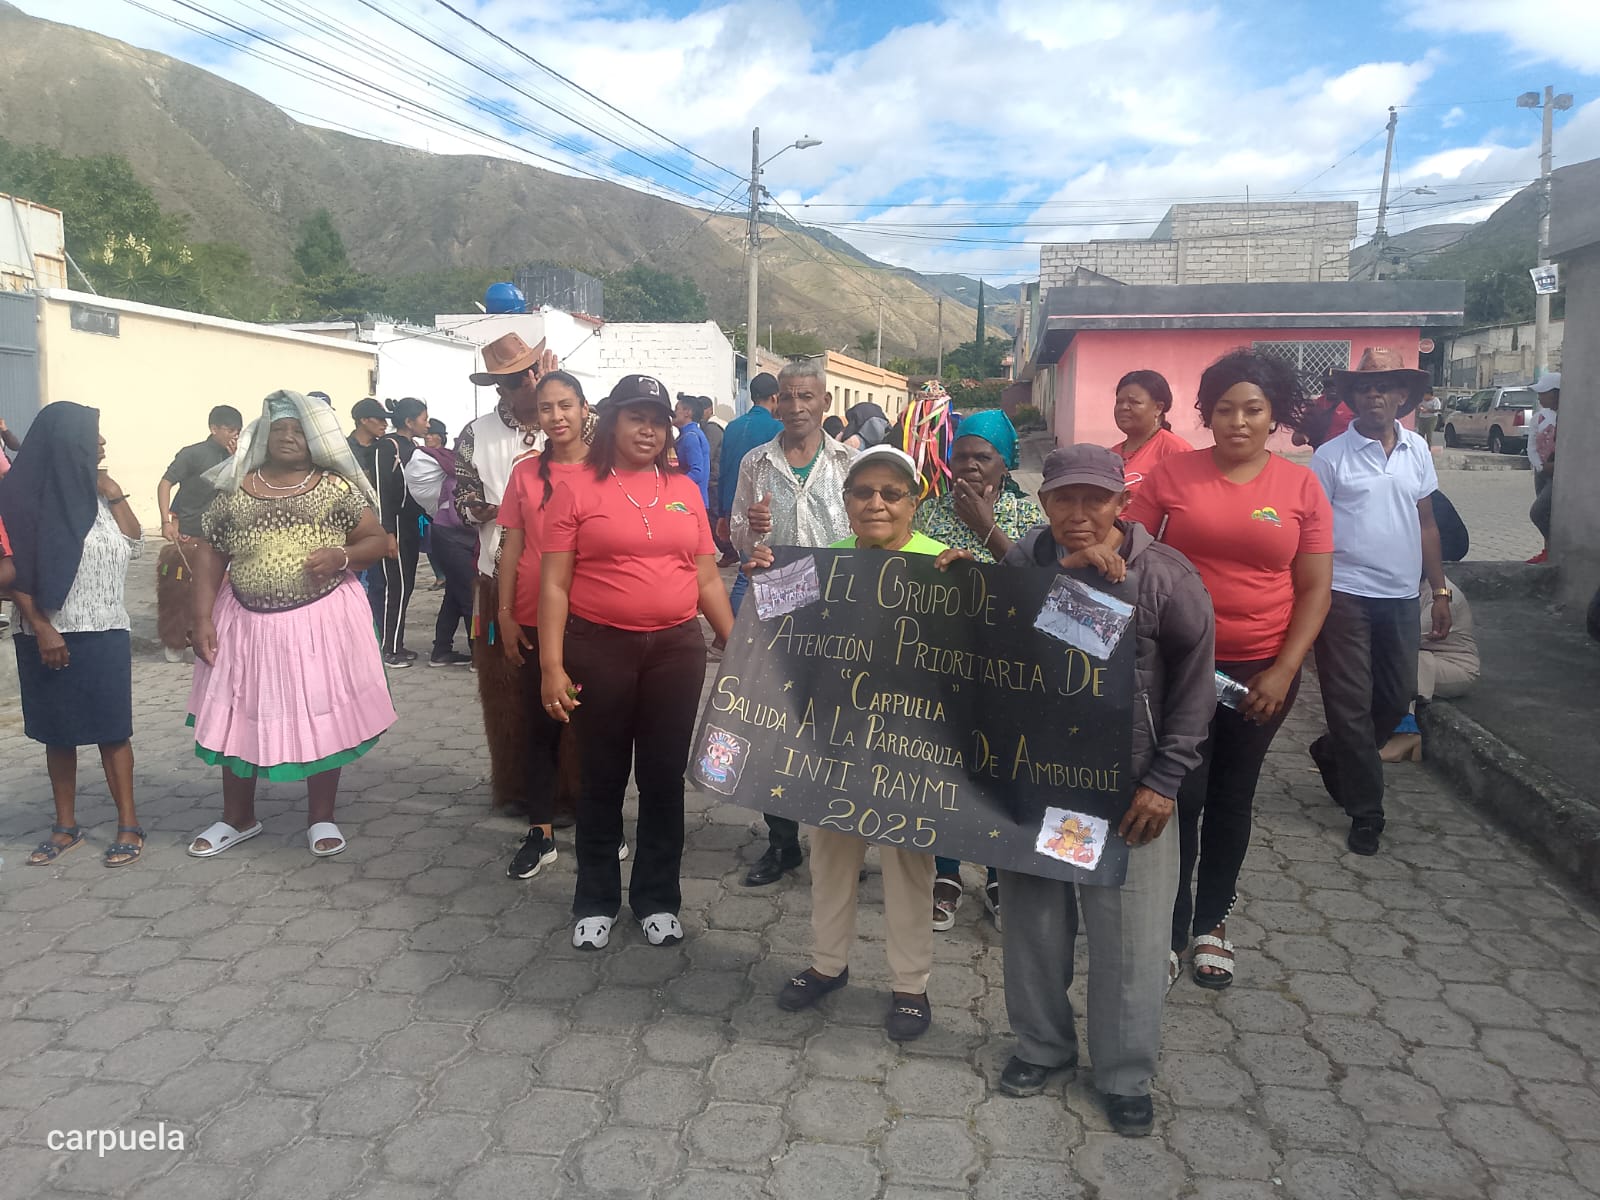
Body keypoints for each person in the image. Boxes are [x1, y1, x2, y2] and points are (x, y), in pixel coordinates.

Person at [991, 444, 1215, 1136]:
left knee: (1132, 943)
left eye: (1096, 499)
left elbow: (1196, 688)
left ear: (1124, 503)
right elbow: (988, 648)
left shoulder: (1166, 577)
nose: (1079, 513)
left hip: (1128, 794)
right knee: (1033, 929)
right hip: (1036, 783)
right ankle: (1042, 1048)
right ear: (1043, 503)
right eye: (1064, 498)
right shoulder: (1023, 563)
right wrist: (1060, 577)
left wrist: (1165, 781)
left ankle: (1123, 1075)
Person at [1125, 350, 1332, 989]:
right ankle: (1167, 927)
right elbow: (1124, 552)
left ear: (1274, 415)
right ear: (1206, 414)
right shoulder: (1172, 476)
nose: (1238, 421)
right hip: (1179, 667)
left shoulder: (1301, 488)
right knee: (1179, 792)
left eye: (1253, 409)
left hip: (1261, 672)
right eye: (1224, 409)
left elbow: (1315, 589)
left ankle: (1212, 922)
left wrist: (1284, 669)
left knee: (1231, 797)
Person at [757, 445, 946, 1042]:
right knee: (831, 855)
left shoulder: (943, 564)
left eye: (892, 493)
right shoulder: (825, 561)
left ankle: (910, 985)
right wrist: (764, 574)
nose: (876, 503)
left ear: (913, 503)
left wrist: (974, 584)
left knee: (909, 864)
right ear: (845, 501)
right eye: (863, 492)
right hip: (836, 740)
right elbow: (775, 626)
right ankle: (827, 963)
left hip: (911, 748)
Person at [539, 374, 734, 950]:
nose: (648, 430)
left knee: (662, 778)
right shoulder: (576, 490)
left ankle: (657, 899)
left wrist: (741, 648)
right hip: (599, 648)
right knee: (601, 777)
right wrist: (552, 665)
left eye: (657, 420)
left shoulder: (685, 490)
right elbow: (554, 585)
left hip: (676, 650)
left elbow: (706, 578)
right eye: (635, 418)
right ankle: (596, 899)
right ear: (611, 422)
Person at [185, 391, 395, 859]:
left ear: (316, 439)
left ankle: (321, 817)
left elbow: (377, 541)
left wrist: (342, 556)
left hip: (320, 623)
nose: (287, 436)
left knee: (322, 713)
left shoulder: (335, 488)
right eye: (278, 428)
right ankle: (237, 817)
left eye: (298, 430)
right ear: (262, 436)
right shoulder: (235, 489)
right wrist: (200, 618)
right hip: (244, 622)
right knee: (238, 712)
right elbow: (211, 551)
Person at [1310, 347, 1452, 857]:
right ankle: (1366, 811)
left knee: (1394, 699)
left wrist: (1439, 590)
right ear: (1352, 397)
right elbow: (1313, 534)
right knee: (1349, 705)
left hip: (1400, 596)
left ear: (1402, 395)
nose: (1375, 395)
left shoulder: (1417, 450)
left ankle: (1332, 752)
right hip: (1344, 596)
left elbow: (1427, 523)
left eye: (1385, 386)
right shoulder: (1330, 457)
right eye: (1365, 387)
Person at [910, 407, 1045, 931]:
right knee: (946, 767)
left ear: (1004, 463)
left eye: (982, 457)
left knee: (997, 769)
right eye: (961, 455)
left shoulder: (1029, 519)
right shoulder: (928, 513)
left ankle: (996, 873)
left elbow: (1036, 589)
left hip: (1005, 666)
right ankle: (946, 874)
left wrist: (986, 530)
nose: (969, 464)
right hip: (943, 661)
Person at [0, 403, 147, 868]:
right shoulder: (21, 496)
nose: (101, 442)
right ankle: (66, 826)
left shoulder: (97, 492)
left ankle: (128, 824)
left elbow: (135, 545)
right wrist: (43, 627)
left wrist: (116, 495)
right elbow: (11, 571)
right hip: (45, 633)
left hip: (106, 630)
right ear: (67, 441)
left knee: (112, 731)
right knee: (58, 733)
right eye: (93, 434)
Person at [728, 360, 856, 886]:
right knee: (775, 724)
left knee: (838, 729)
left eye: (807, 397)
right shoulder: (756, 463)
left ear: (825, 403)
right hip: (778, 607)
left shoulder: (850, 463)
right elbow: (737, 532)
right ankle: (782, 843)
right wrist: (752, 534)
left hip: (841, 610)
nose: (796, 406)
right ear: (775, 402)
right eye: (787, 396)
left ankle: (838, 847)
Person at [458, 332, 560, 818]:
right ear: (500, 388)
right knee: (506, 690)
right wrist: (489, 509)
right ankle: (517, 788)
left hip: (567, 578)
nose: (532, 381)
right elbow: (461, 498)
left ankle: (571, 790)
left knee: (569, 685)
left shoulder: (568, 421)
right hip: (499, 578)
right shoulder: (475, 434)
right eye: (520, 378)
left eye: (535, 371)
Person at [498, 371, 593, 879]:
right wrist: (505, 613)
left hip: (596, 618)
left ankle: (603, 825)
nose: (556, 417)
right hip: (534, 615)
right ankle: (541, 831)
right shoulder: (525, 474)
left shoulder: (608, 472)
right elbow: (511, 545)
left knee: (598, 730)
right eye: (546, 408)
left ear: (583, 409)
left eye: (565, 405)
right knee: (540, 727)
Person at [156, 406, 243, 663]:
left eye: (238, 431)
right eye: (229, 430)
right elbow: (165, 483)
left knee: (220, 592)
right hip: (191, 533)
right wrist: (166, 521)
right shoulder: (193, 454)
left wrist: (237, 461)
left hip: (224, 536)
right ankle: (175, 640)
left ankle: (212, 639)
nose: (234, 436)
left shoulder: (241, 457)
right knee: (179, 592)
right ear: (213, 428)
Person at [1380, 574, 1479, 762]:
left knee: (1398, 660)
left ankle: (1406, 734)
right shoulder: (1407, 583)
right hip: (1426, 656)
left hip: (1456, 667)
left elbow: (1402, 639)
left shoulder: (1445, 597)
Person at [405, 418, 475, 666]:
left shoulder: (456, 469)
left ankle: (441, 651)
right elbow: (459, 516)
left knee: (454, 595)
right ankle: (480, 656)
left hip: (448, 535)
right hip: (453, 537)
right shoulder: (458, 473)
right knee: (471, 596)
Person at [368, 397, 429, 667]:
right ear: (409, 421)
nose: (427, 424)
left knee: (407, 586)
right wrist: (388, 533)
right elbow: (382, 492)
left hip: (410, 524)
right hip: (394, 526)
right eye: (424, 419)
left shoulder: (413, 447)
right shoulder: (387, 446)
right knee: (395, 587)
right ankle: (388, 649)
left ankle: (397, 643)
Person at [717, 372, 782, 610]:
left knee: (746, 573)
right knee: (754, 575)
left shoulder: (733, 427)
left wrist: (723, 514)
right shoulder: (778, 428)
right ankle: (734, 628)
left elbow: (724, 470)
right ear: (775, 398)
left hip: (734, 507)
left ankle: (732, 627)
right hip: (763, 512)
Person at [1109, 370, 1190, 492]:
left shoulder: (1176, 451)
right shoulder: (1111, 455)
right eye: (1119, 402)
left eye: (1134, 402)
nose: (1123, 407)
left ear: (1158, 408)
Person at [1527, 372, 1559, 564]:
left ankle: (1557, 547)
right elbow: (1531, 445)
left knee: (1538, 512)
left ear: (1556, 394)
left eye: (1544, 393)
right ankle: (1547, 550)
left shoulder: (1569, 417)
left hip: (1558, 474)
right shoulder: (1539, 418)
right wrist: (1540, 466)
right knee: (1547, 513)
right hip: (1542, 472)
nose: (1540, 397)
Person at [673, 394, 712, 508]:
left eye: (676, 409)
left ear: (687, 412)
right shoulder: (691, 434)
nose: (673, 414)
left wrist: (673, 484)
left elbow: (697, 473)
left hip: (693, 501)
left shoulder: (691, 437)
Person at [347, 397, 387, 484]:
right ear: (364, 420)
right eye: (380, 419)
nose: (385, 424)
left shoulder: (384, 448)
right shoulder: (344, 449)